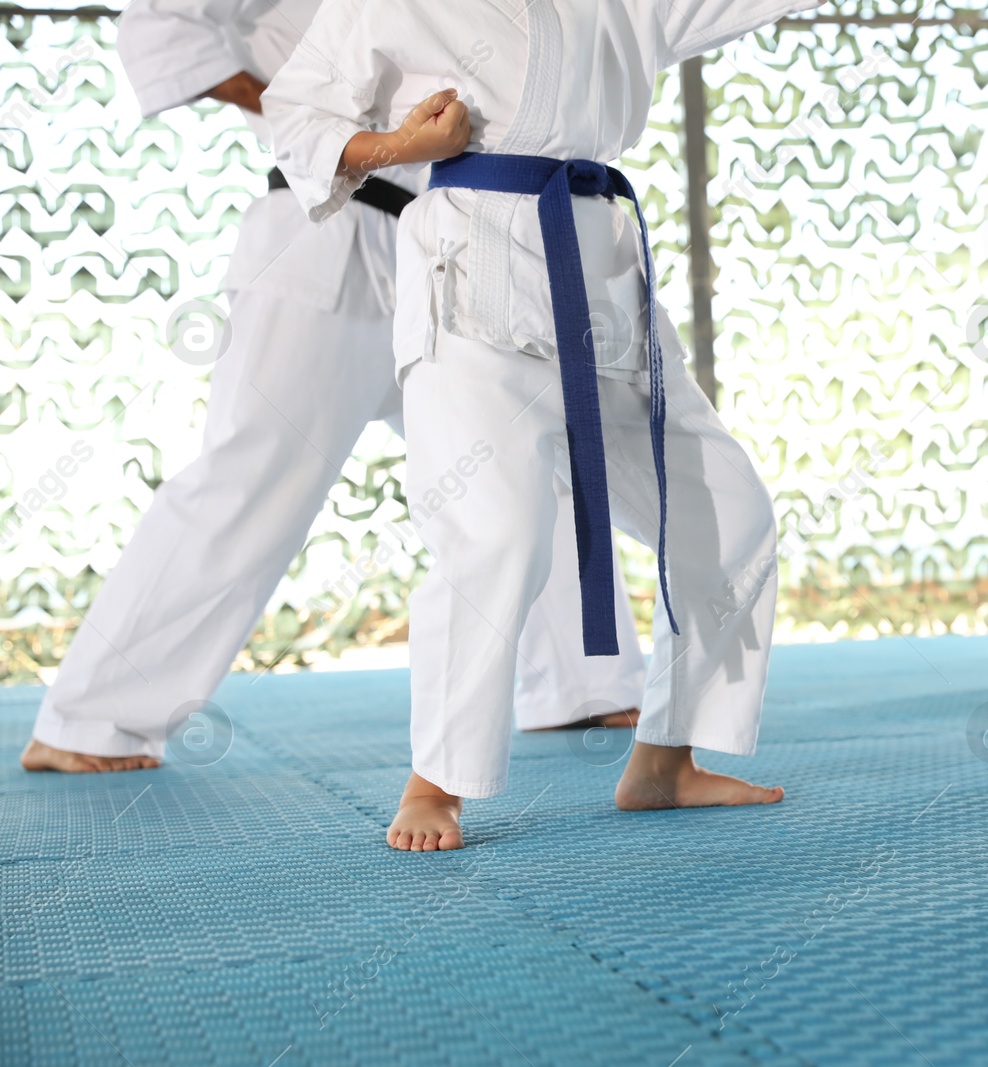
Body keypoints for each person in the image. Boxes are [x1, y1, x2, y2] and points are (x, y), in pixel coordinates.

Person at [19, 0, 644, 776]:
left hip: (452, 243)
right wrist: (310, 113)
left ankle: (583, 682)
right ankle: (90, 718)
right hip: (330, 232)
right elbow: (161, 25)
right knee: (253, 479)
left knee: (525, 458)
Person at [265, 0, 817, 849]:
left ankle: (665, 760)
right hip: (471, 274)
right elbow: (296, 113)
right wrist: (404, 150)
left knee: (729, 510)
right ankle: (434, 782)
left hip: (600, 276)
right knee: (500, 532)